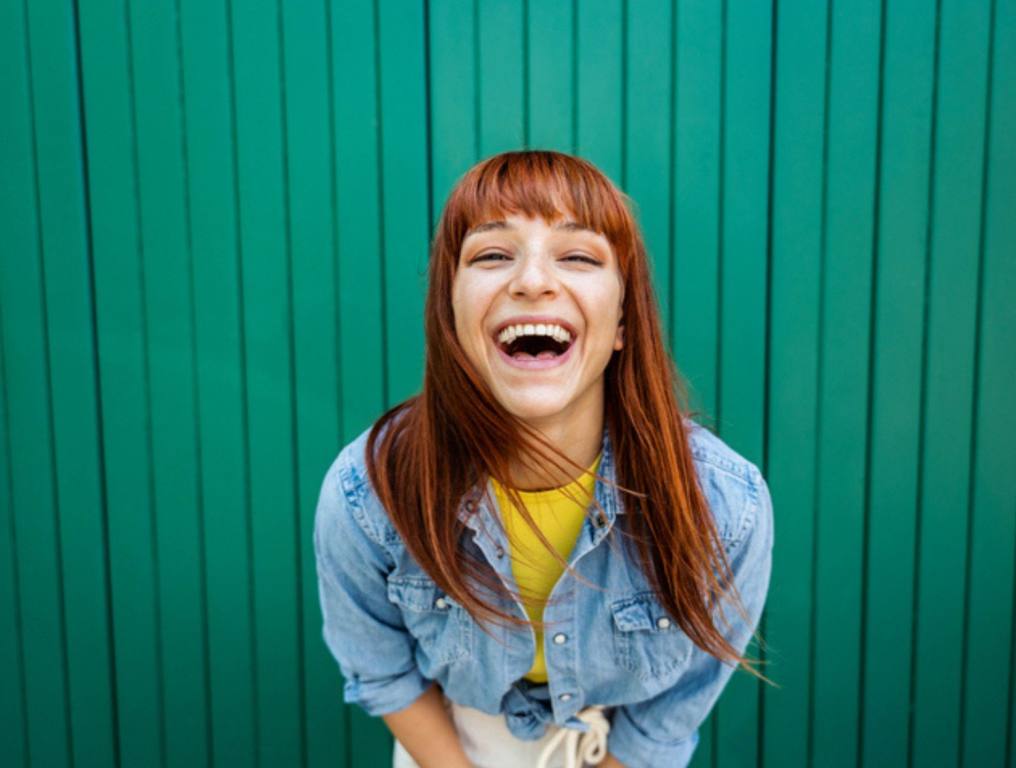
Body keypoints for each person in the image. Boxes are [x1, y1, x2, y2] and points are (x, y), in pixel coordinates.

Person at [313, 150, 775, 768]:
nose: (532, 280)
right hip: (447, 745)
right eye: (493, 255)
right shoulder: (367, 492)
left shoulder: (726, 506)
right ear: (451, 315)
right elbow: (379, 670)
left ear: (621, 323)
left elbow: (668, 719)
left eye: (578, 256)